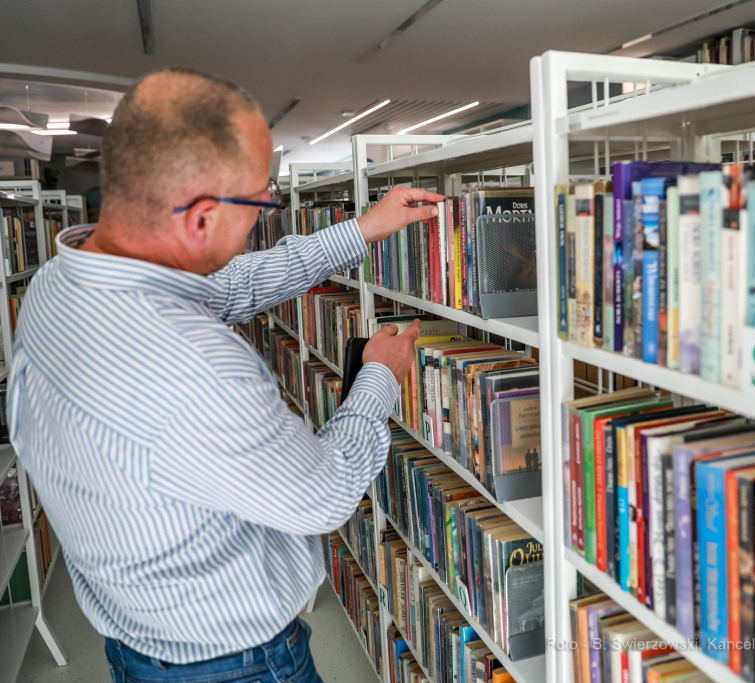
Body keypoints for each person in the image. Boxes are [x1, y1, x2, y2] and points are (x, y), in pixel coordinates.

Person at [8, 68, 444, 683]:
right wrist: (378, 378)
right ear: (203, 218)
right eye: (260, 199)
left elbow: (228, 285)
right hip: (231, 663)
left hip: (139, 643)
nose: (265, 211)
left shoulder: (63, 280)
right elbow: (323, 495)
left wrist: (362, 230)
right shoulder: (195, 367)